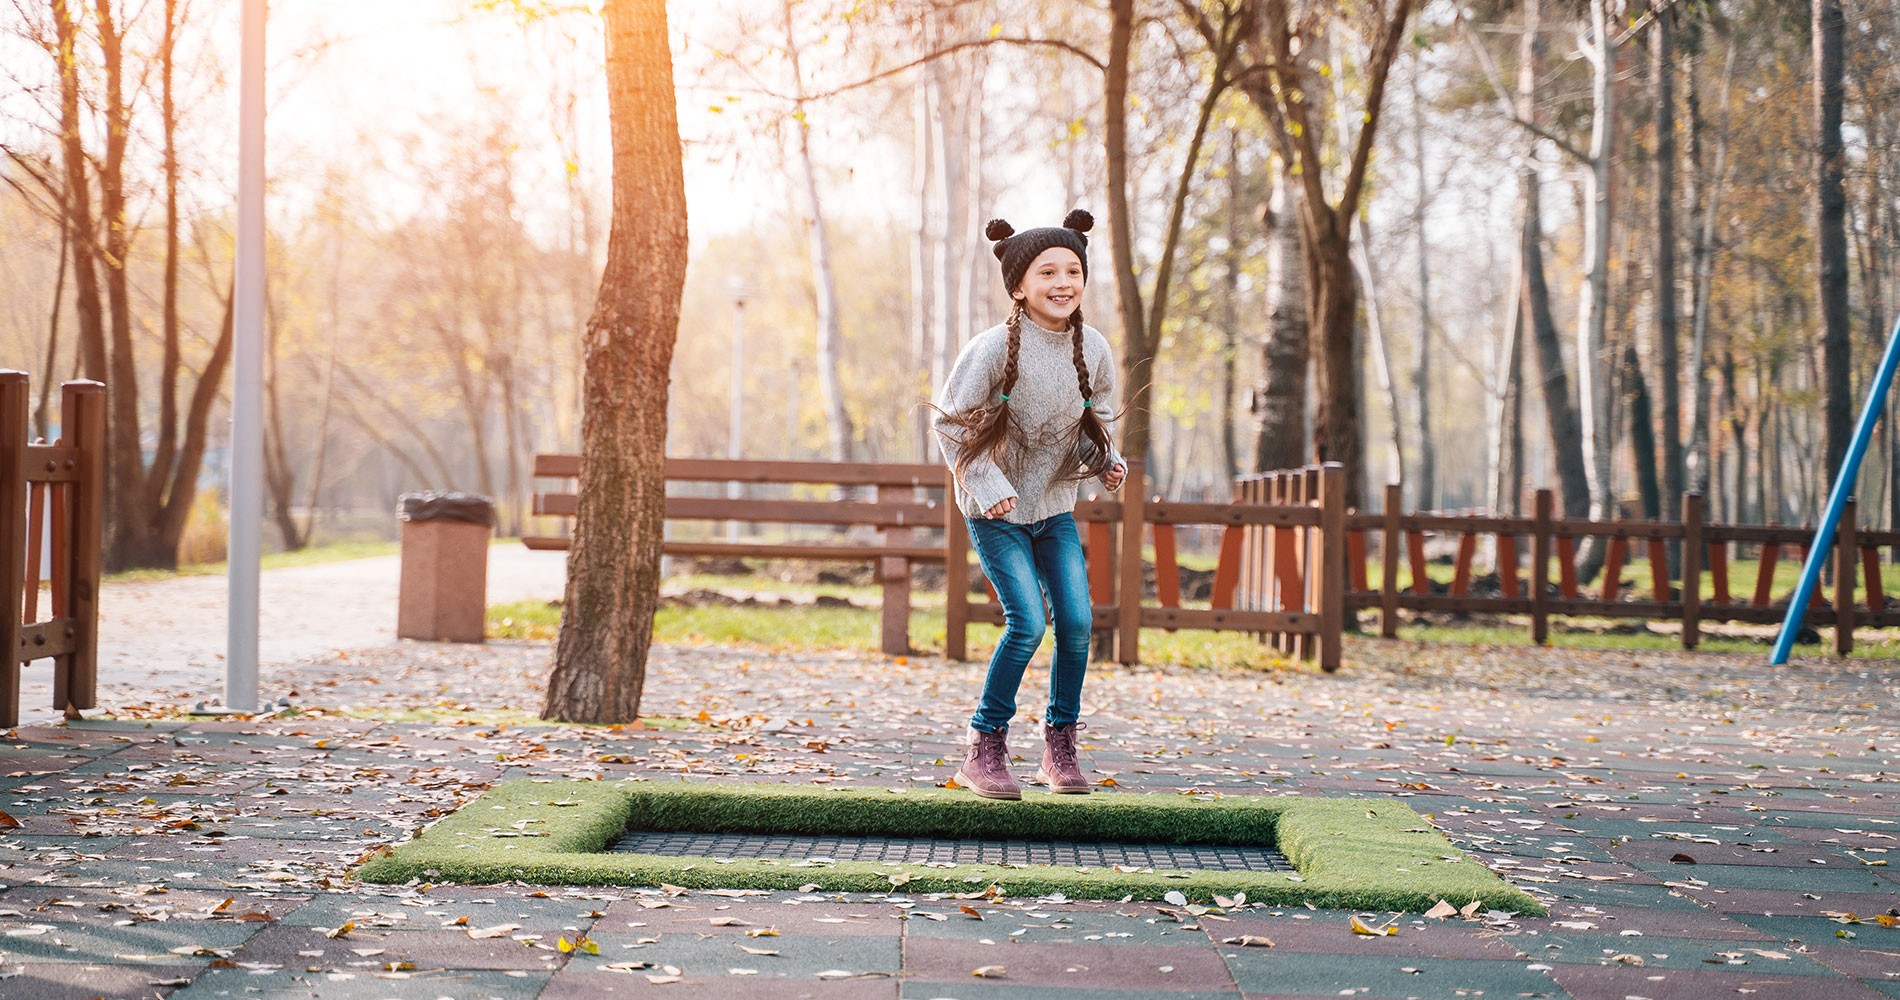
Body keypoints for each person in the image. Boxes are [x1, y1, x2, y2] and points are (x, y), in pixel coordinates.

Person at [931, 209, 1127, 801]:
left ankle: (1058, 744)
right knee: (1027, 624)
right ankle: (983, 748)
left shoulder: (1092, 349)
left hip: (1053, 509)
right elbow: (950, 428)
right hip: (994, 515)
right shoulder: (989, 350)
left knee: (1076, 623)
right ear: (1019, 285)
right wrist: (989, 488)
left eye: (1073, 269)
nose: (1063, 281)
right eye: (1047, 272)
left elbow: (1092, 422)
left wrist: (1106, 461)